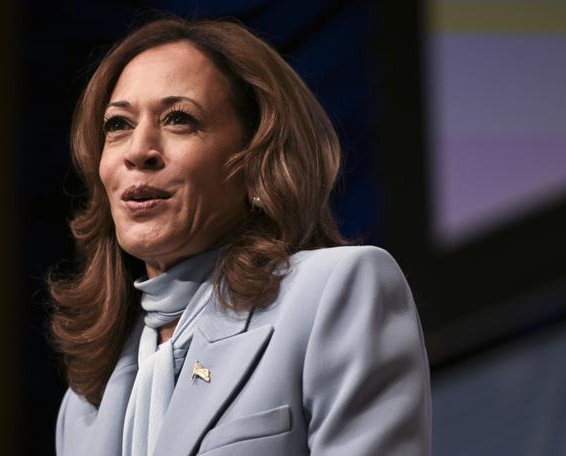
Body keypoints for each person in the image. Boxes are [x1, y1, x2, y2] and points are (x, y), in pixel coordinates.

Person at [50, 17, 431, 456]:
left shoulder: (334, 291)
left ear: (255, 157)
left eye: (179, 119)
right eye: (118, 125)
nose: (138, 150)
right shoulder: (83, 404)